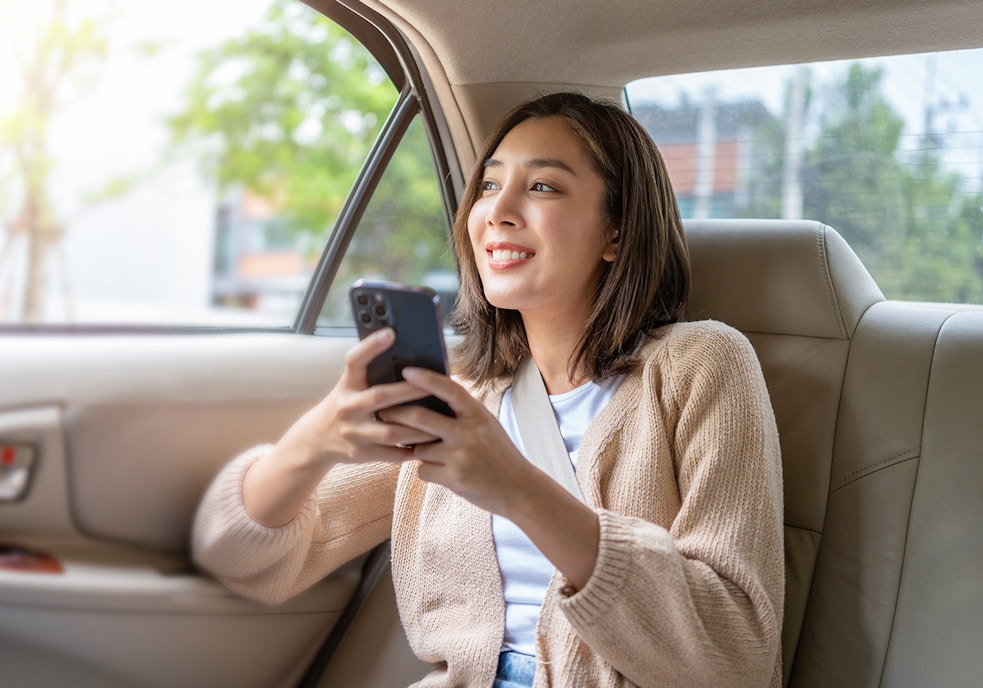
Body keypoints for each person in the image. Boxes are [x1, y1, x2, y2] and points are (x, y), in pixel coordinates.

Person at [192, 92, 784, 688]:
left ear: (616, 233)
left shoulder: (701, 364)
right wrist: (315, 441)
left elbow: (736, 656)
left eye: (544, 187)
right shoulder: (465, 388)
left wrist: (518, 488)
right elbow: (245, 561)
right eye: (487, 185)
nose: (496, 211)